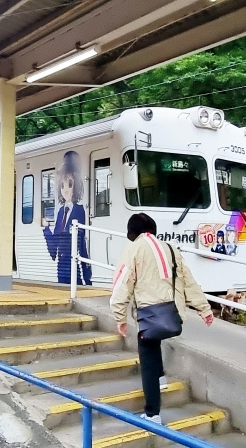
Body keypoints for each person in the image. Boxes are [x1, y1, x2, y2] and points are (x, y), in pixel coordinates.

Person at [110, 213, 213, 424]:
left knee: (147, 352)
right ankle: (161, 379)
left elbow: (122, 283)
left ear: (132, 232)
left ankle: (152, 414)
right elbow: (188, 281)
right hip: (171, 313)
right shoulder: (171, 249)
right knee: (154, 338)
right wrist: (204, 309)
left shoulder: (133, 249)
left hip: (149, 313)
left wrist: (120, 316)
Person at [42, 150, 92, 285]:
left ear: (76, 186)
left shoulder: (79, 211)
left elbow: (81, 245)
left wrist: (87, 277)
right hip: (62, 268)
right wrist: (46, 229)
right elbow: (54, 250)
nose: (65, 189)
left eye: (70, 184)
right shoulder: (60, 213)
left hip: (75, 266)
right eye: (62, 185)